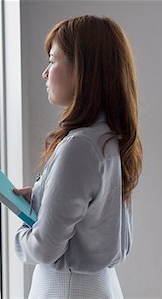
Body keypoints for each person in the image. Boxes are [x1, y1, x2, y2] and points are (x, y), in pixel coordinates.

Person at [13, 15, 143, 298]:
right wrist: (40, 196)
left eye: (52, 60)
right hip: (98, 286)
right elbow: (93, 215)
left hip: (67, 289)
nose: (45, 74)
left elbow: (45, 248)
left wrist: (22, 228)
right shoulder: (108, 137)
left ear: (82, 69)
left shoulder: (79, 145)